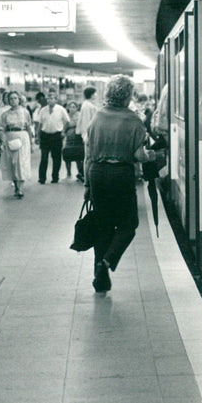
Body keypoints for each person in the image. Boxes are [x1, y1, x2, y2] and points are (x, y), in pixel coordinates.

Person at [84, 75, 155, 294]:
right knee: (128, 225)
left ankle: (101, 281)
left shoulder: (97, 117)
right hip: (120, 175)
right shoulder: (133, 120)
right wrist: (152, 156)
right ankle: (106, 262)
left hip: (97, 174)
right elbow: (139, 155)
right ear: (127, 95)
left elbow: (88, 154)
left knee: (103, 227)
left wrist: (87, 185)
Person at [0, 90, 34, 198]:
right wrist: (3, 141)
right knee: (12, 162)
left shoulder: (25, 112)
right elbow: (2, 128)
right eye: (11, 99)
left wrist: (31, 142)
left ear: (19, 100)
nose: (13, 100)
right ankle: (15, 186)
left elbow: (29, 126)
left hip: (22, 136)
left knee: (21, 162)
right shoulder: (5, 114)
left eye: (15, 98)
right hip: (10, 137)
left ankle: (20, 188)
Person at [34, 91, 70, 184]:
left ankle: (55, 177)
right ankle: (42, 178)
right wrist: (37, 136)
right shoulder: (43, 110)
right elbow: (39, 124)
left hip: (56, 136)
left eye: (52, 98)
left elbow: (67, 121)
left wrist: (63, 131)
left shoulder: (61, 109)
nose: (49, 100)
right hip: (45, 135)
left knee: (56, 157)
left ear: (56, 99)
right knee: (44, 157)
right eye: (48, 98)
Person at [62, 101, 84, 180]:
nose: (72, 108)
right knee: (67, 156)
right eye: (70, 107)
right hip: (68, 139)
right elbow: (64, 126)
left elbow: (75, 124)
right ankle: (68, 172)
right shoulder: (66, 115)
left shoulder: (79, 115)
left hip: (77, 139)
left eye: (74, 107)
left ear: (77, 108)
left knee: (78, 157)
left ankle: (80, 173)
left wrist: (69, 125)